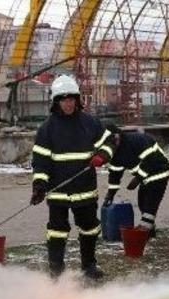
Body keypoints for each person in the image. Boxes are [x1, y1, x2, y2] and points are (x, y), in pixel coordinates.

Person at [30, 75, 116, 279]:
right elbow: (40, 161)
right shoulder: (47, 129)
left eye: (71, 99)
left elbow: (111, 142)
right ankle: (57, 271)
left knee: (89, 228)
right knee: (57, 231)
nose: (68, 103)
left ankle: (89, 266)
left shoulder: (90, 123)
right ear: (56, 101)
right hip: (58, 191)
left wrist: (102, 155)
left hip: (85, 189)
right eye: (63, 99)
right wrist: (39, 186)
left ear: (77, 100)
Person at [102, 125, 169, 237]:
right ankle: (149, 230)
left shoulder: (137, 140)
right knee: (142, 202)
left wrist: (138, 178)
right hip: (145, 178)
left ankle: (144, 232)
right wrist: (110, 194)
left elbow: (151, 159)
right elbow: (115, 174)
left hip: (159, 172)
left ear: (118, 136)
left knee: (150, 204)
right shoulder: (115, 153)